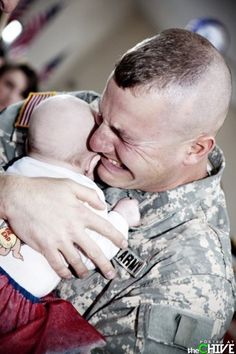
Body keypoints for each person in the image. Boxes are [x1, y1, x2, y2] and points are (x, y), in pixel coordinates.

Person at [0, 28, 235, 353]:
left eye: (125, 138)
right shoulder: (71, 112)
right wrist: (9, 190)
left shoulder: (193, 279)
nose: (95, 141)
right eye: (102, 115)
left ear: (195, 149)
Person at [0, 94, 139, 353]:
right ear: (89, 164)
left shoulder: (17, 168)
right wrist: (122, 217)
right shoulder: (85, 192)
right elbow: (92, 250)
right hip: (11, 301)